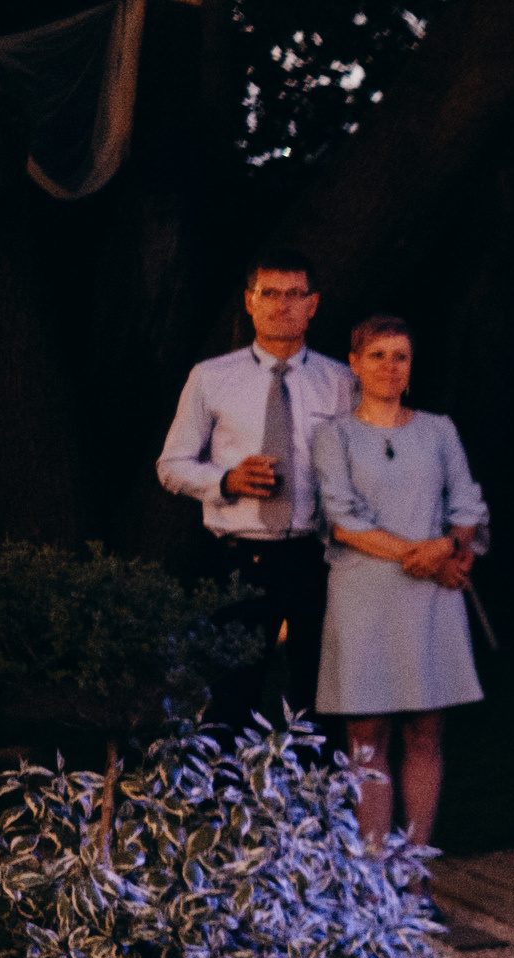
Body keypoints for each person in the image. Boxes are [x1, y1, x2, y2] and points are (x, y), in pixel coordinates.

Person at [156, 247, 357, 731]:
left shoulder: (341, 382)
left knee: (318, 697)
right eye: (270, 294)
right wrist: (224, 480)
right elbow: (170, 465)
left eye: (295, 295)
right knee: (230, 696)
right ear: (249, 301)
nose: (282, 305)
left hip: (316, 557)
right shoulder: (211, 378)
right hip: (239, 558)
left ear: (313, 304)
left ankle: (313, 798)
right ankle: (227, 797)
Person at [310, 315, 486, 856]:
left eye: (401, 356)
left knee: (425, 730)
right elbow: (342, 519)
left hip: (428, 601)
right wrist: (426, 555)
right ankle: (372, 865)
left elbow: (466, 505)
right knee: (366, 737)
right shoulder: (333, 434)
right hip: (363, 594)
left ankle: (414, 866)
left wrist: (453, 545)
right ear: (356, 363)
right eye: (378, 355)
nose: (390, 366)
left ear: (411, 368)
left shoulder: (439, 429)